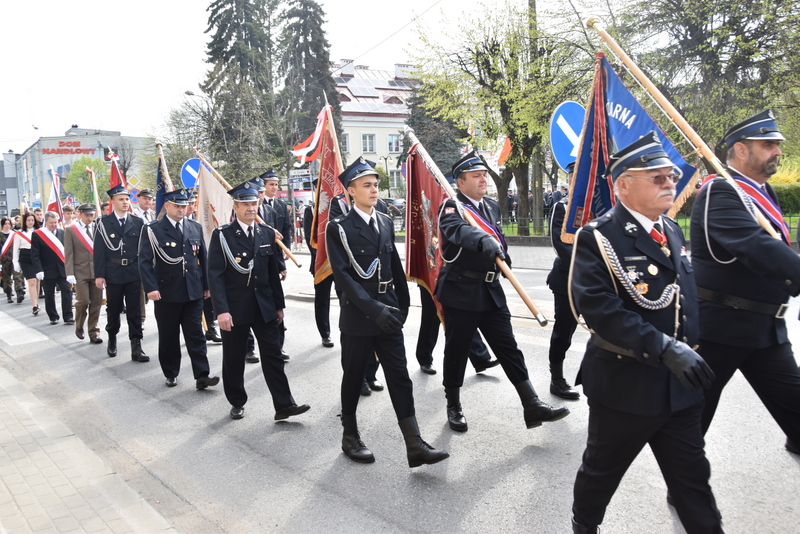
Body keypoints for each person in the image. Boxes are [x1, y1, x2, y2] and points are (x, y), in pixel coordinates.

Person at [569, 132, 721, 534]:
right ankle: (584, 525)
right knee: (601, 473)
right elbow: (601, 311)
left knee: (693, 483)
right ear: (623, 185)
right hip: (626, 385)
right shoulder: (599, 237)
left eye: (670, 176)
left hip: (680, 388)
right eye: (657, 177)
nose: (670, 183)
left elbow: (684, 300)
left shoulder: (671, 230)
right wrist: (666, 348)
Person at [690, 109, 800, 455]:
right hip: (720, 330)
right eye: (768, 144)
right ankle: (686, 487)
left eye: (777, 145)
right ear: (740, 150)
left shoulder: (760, 193)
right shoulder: (720, 192)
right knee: (694, 419)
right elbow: (757, 246)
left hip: (764, 330)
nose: (777, 151)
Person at [327, 157, 449, 467]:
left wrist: (403, 307)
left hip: (389, 315)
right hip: (358, 318)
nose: (374, 189)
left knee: (400, 378)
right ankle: (350, 436)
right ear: (351, 191)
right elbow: (344, 278)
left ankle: (414, 443)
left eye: (376, 184)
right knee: (354, 378)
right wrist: (374, 309)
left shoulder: (383, 220)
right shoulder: (338, 228)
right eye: (366, 185)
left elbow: (394, 267)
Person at [436, 151, 569, 432]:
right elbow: (459, 232)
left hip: (490, 289)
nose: (483, 179)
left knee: (508, 347)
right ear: (460, 182)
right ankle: (454, 404)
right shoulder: (451, 207)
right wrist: (482, 239)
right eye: (476, 176)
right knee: (457, 351)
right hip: (461, 290)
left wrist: (502, 255)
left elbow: (499, 238)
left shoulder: (492, 207)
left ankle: (531, 405)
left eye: (484, 174)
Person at [207, 181, 309, 421]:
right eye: (245, 204)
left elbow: (272, 273)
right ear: (236, 207)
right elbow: (215, 275)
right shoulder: (222, 235)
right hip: (234, 308)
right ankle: (237, 401)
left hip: (264, 307)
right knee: (233, 358)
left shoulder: (266, 232)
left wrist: (279, 305)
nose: (251, 208)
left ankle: (284, 405)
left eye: (254, 203)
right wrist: (221, 311)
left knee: (273, 356)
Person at [139, 189, 219, 390]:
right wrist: (151, 288)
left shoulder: (194, 227)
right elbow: (144, 262)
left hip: (193, 290)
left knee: (196, 335)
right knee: (169, 336)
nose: (182, 209)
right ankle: (171, 373)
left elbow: (203, 258)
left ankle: (202, 375)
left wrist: (207, 286)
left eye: (184, 206)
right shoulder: (153, 229)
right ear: (167, 206)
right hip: (166, 292)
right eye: (177, 206)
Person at [94, 185, 148, 362]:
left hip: (133, 272)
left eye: (127, 199)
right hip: (113, 272)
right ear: (113, 202)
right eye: (121, 199)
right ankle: (112, 339)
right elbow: (99, 251)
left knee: (134, 310)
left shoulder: (137, 222)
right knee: (114, 309)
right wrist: (99, 275)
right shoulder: (103, 223)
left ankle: (136, 345)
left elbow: (143, 250)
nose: (125, 202)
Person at [546, 162, 580, 400]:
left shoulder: (603, 206)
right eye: (574, 176)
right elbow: (561, 244)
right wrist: (590, 267)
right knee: (564, 332)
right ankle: (556, 378)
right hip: (569, 280)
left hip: (601, 282)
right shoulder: (562, 207)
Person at [415, 286, 500, 375]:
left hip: (453, 279)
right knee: (431, 317)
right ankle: (425, 358)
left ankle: (480, 357)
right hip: (430, 278)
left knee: (463, 316)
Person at [64, 204, 103, 343]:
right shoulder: (71, 230)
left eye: (92, 215)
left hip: (97, 272)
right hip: (79, 272)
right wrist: (69, 273)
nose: (89, 218)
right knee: (83, 301)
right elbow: (68, 253)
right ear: (79, 214)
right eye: (87, 215)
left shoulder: (98, 228)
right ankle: (79, 325)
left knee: (96, 303)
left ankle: (94, 332)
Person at [303, 194, 334, 348]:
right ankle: (325, 334)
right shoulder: (311, 210)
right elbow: (309, 237)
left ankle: (347, 331)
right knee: (322, 300)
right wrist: (323, 258)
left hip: (340, 263)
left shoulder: (340, 206)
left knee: (347, 299)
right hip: (321, 262)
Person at [31, 211, 73, 325]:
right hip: (47, 269)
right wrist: (38, 270)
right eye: (51, 223)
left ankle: (68, 316)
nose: (54, 224)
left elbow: (68, 251)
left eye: (55, 222)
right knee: (49, 294)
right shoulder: (38, 234)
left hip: (62, 268)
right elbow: (35, 254)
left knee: (67, 291)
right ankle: (53, 316)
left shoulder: (62, 232)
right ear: (46, 222)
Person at [13, 212, 40, 312]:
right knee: (31, 281)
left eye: (32, 220)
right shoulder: (19, 233)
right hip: (25, 257)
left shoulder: (38, 232)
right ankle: (34, 306)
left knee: (37, 281)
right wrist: (15, 262)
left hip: (37, 257)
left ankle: (36, 302)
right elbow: (15, 249)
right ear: (25, 221)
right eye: (28, 220)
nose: (30, 222)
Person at [1, 217, 25, 304]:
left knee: (17, 276)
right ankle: (9, 294)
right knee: (6, 278)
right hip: (4, 260)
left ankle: (19, 292)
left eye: (9, 224)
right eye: (5, 224)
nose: (7, 226)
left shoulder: (15, 234)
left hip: (15, 259)